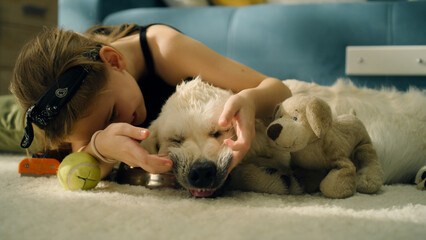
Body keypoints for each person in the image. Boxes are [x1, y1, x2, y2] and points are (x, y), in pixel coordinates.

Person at [10, 24, 292, 180]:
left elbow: (280, 90)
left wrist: (250, 99)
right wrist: (98, 146)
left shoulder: (166, 49)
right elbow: (83, 160)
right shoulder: (80, 110)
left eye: (113, 113)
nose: (118, 127)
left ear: (114, 60)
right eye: (101, 128)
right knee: (18, 128)